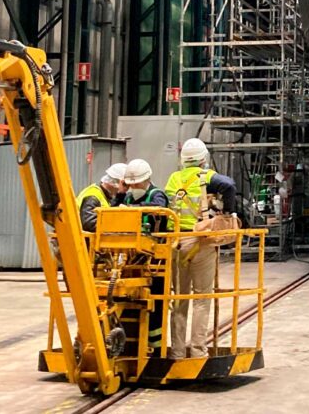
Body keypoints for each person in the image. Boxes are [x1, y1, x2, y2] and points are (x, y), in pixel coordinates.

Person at [164, 138, 237, 360]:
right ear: (203, 159)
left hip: (176, 243)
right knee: (202, 299)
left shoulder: (174, 179)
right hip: (200, 242)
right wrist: (230, 214)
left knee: (179, 300)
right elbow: (229, 186)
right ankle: (197, 351)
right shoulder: (206, 177)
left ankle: (177, 351)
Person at [121, 159, 169, 353]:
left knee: (155, 303)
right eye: (130, 184)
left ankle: (156, 349)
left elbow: (158, 208)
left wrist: (132, 210)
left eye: (137, 183)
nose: (134, 187)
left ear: (147, 179)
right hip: (131, 257)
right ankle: (129, 344)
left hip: (156, 260)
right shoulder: (128, 198)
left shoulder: (157, 195)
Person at [76, 163, 127, 233]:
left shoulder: (103, 196)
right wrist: (116, 224)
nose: (126, 189)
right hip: (85, 242)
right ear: (116, 183)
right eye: (126, 185)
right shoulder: (93, 196)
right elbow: (89, 224)